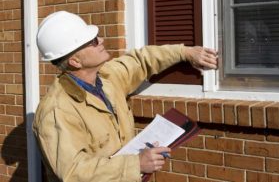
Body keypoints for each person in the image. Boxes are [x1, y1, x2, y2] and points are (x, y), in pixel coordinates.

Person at [33, 11, 218, 182]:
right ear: (75, 61)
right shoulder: (56, 110)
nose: (101, 40)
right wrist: (136, 164)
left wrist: (184, 52)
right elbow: (73, 171)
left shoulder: (108, 78)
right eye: (93, 41)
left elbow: (141, 61)